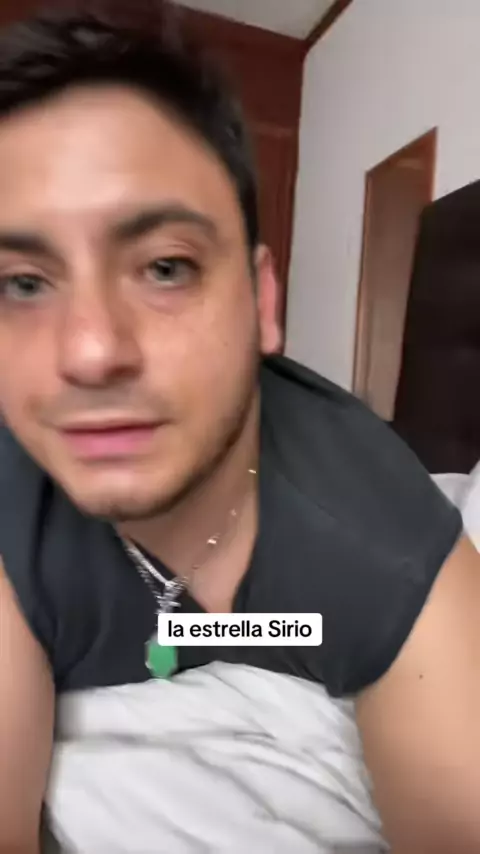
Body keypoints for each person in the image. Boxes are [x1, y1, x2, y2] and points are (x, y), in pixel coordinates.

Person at [0, 1, 478, 852]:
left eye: (165, 266)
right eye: (23, 283)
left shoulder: (391, 548)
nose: (90, 351)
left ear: (261, 302)